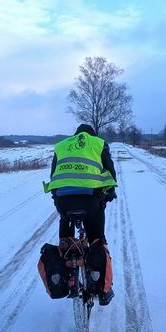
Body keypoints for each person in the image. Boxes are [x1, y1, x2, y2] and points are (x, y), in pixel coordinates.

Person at [44, 124, 117, 305]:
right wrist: (110, 192)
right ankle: (103, 290)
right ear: (91, 134)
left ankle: (64, 258)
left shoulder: (62, 145)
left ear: (75, 135)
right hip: (91, 201)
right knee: (96, 239)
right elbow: (110, 171)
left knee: (65, 226)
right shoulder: (99, 143)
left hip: (64, 201)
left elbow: (54, 174)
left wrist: (56, 196)